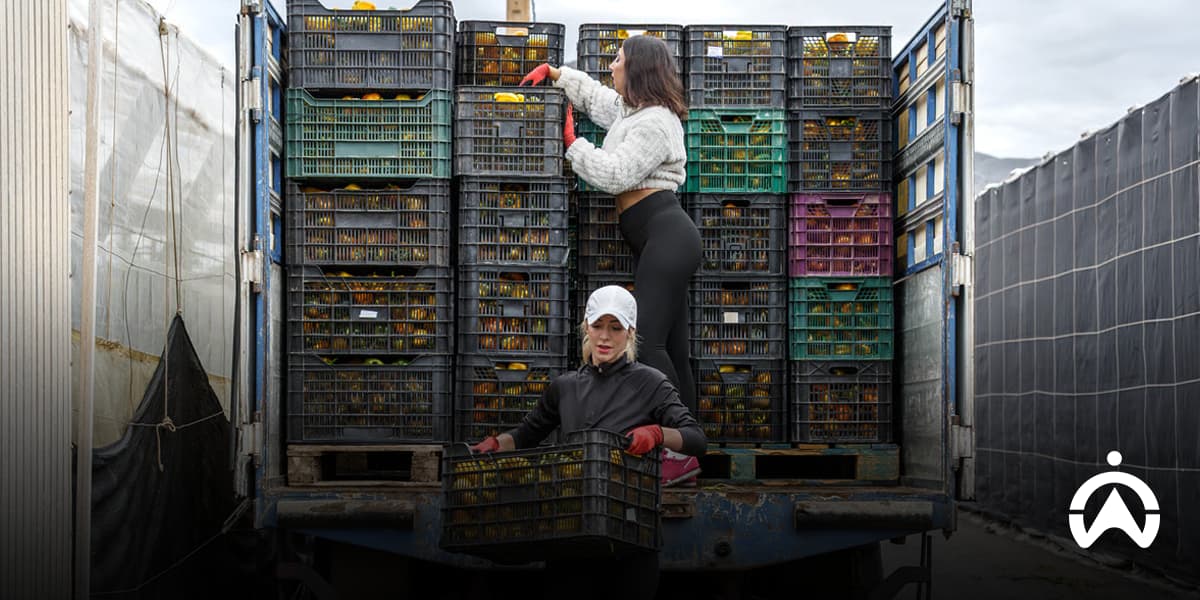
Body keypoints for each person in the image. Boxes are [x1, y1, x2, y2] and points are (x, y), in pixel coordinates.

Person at [471, 285, 707, 597]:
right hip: (571, 537)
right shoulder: (565, 386)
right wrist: (498, 444)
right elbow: (527, 434)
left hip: (631, 539)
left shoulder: (650, 383)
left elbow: (696, 439)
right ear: (586, 327)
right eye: (597, 326)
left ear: (630, 332)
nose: (605, 337)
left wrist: (657, 434)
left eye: (615, 327)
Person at [518, 36, 702, 419]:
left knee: (648, 344)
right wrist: (556, 74)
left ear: (637, 69)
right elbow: (597, 99)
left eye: (617, 61)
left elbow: (616, 175)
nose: (612, 67)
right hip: (662, 236)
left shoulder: (655, 122)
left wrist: (574, 144)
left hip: (668, 236)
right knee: (673, 347)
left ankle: (675, 438)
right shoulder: (633, 111)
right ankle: (686, 444)